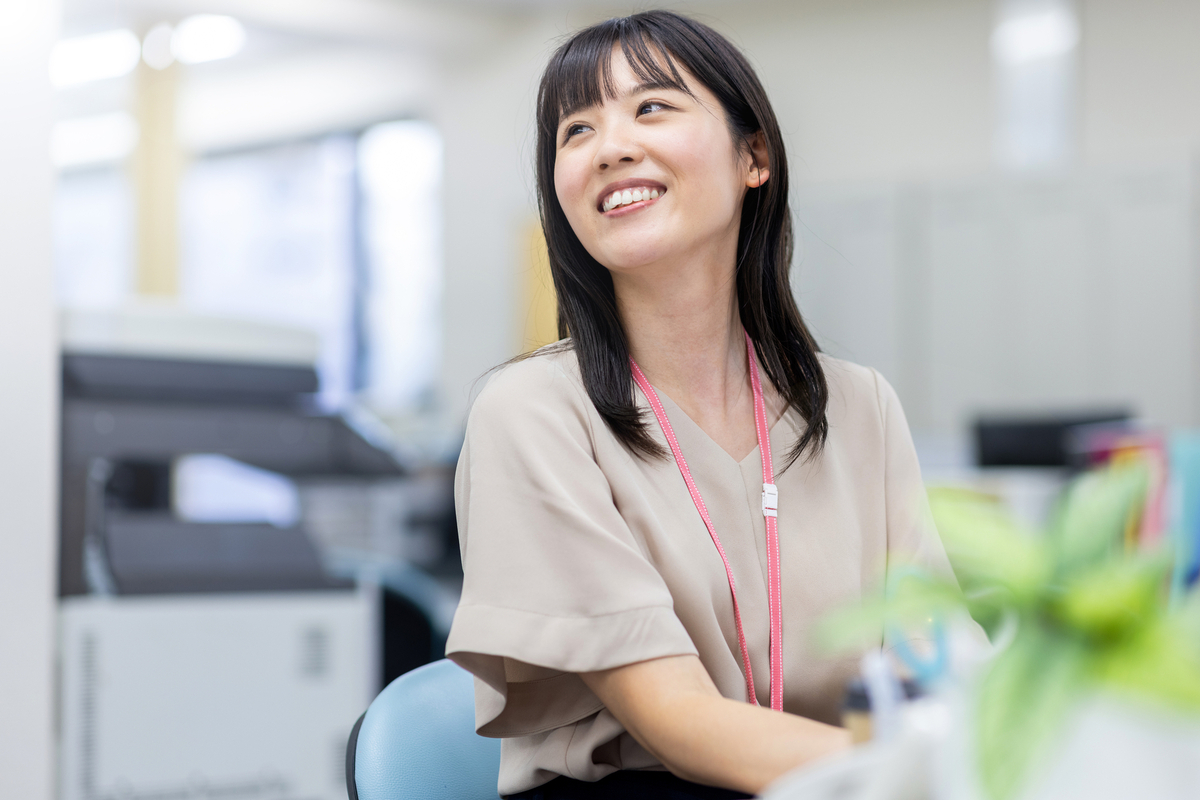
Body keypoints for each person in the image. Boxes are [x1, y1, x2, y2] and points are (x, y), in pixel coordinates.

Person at [445, 10, 958, 799]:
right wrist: (926, 775)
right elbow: (678, 722)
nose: (610, 146)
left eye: (651, 107)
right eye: (575, 131)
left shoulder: (861, 407)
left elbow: (937, 662)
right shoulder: (532, 412)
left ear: (754, 155)